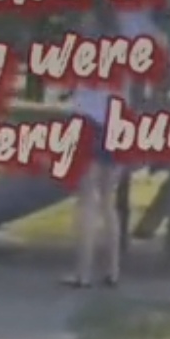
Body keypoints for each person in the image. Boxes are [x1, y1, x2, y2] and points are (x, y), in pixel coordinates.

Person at [63, 79, 121, 290]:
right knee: (107, 200)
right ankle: (113, 270)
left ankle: (83, 273)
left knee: (86, 199)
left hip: (87, 121)